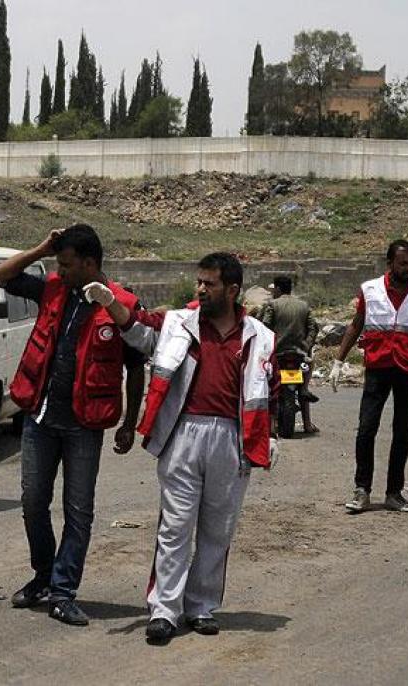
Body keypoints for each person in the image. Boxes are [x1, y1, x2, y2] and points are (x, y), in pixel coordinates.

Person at [87, 252, 278, 644]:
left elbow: (268, 392)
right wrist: (111, 304)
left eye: (209, 284)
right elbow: (139, 330)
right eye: (199, 282)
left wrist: (269, 436)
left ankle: (201, 607)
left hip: (231, 439)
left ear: (233, 289)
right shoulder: (177, 322)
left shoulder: (261, 335)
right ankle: (164, 610)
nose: (201, 289)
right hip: (183, 434)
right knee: (175, 527)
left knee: (217, 529)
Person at [0, 224, 146, 627]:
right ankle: (43, 575)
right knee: (32, 502)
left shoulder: (121, 305)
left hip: (84, 426)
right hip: (40, 419)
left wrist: (130, 422)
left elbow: (136, 366)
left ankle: (63, 591)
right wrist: (43, 246)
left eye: (67, 263)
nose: (60, 269)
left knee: (79, 512)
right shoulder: (54, 288)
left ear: (90, 263)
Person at [328, 240, 408, 514]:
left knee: (402, 432)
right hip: (378, 368)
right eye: (404, 263)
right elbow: (356, 324)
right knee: (366, 428)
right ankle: (361, 490)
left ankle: (394, 492)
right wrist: (338, 360)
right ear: (390, 263)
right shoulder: (370, 290)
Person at [260, 275, 320, 433]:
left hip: (277, 353)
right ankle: (307, 423)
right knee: (303, 385)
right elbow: (314, 327)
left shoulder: (272, 305)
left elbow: (265, 326)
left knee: (267, 386)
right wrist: (306, 344)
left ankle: (271, 425)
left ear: (278, 289)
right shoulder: (304, 306)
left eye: (274, 290)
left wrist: (266, 345)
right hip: (299, 354)